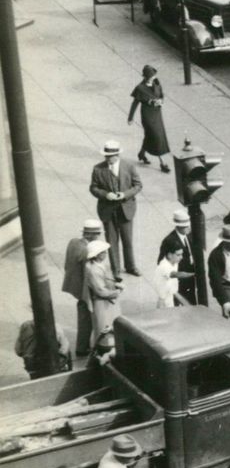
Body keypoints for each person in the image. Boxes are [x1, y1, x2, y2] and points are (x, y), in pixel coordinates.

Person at [89, 140, 142, 278]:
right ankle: (116, 270)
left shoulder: (129, 167)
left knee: (127, 240)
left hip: (126, 209)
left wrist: (124, 194)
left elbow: (138, 185)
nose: (107, 159)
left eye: (109, 156)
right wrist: (106, 195)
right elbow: (93, 188)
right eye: (105, 156)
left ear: (117, 155)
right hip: (108, 210)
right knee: (111, 241)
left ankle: (131, 266)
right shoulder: (98, 169)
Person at [63, 217, 105, 356]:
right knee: (86, 317)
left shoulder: (73, 243)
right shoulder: (88, 251)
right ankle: (82, 348)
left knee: (84, 315)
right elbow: (90, 274)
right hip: (84, 289)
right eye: (98, 234)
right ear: (91, 235)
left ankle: (83, 345)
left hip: (74, 284)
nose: (99, 237)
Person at [127, 65, 170, 173]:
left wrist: (161, 102)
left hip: (157, 113)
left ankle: (141, 154)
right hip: (147, 115)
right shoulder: (140, 88)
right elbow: (135, 104)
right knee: (156, 136)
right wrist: (130, 118)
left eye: (153, 75)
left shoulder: (156, 83)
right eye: (151, 76)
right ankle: (162, 163)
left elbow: (161, 95)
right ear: (146, 77)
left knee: (150, 135)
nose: (153, 77)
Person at [158, 208, 197, 306]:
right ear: (178, 227)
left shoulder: (189, 236)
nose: (188, 228)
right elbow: (161, 262)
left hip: (190, 280)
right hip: (178, 282)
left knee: (191, 304)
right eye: (185, 226)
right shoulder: (169, 241)